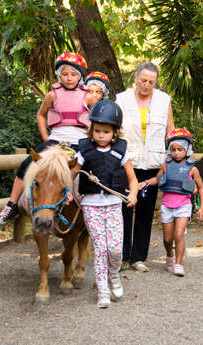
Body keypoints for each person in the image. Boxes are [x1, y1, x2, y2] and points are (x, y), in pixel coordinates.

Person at [0, 52, 97, 224]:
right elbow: (41, 115)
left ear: (80, 76)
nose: (69, 78)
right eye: (64, 74)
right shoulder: (52, 95)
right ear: (59, 75)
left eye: (73, 74)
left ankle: (92, 210)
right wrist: (45, 136)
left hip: (79, 142)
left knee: (93, 167)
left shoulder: (89, 97)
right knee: (26, 164)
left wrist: (91, 139)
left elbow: (97, 121)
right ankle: (11, 205)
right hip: (55, 140)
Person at [70, 99, 138, 308]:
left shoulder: (120, 150)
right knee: (100, 248)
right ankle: (103, 290)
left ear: (114, 132)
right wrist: (67, 191)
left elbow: (132, 178)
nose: (101, 135)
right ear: (92, 130)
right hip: (91, 205)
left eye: (106, 132)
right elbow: (71, 174)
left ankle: (113, 275)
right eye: (97, 131)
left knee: (115, 249)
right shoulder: (84, 150)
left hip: (114, 203)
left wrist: (133, 193)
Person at [116, 62, 175, 272]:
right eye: (143, 80)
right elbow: (115, 130)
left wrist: (168, 158)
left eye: (151, 81)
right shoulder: (121, 99)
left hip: (153, 164)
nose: (147, 85)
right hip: (127, 163)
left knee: (145, 212)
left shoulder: (163, 100)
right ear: (136, 78)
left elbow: (171, 131)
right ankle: (122, 256)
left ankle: (138, 257)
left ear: (156, 82)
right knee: (123, 210)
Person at [141, 128, 203, 277]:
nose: (176, 152)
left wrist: (202, 208)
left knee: (179, 235)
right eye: (173, 149)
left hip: (183, 206)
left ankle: (178, 264)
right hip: (167, 206)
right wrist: (144, 183)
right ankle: (169, 254)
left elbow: (202, 188)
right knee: (167, 239)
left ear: (187, 149)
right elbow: (157, 179)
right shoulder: (165, 165)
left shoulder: (193, 168)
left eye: (180, 149)